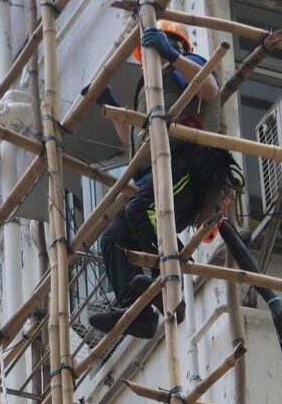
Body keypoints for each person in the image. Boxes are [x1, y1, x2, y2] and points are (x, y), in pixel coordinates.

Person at [88, 23, 243, 339]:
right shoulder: (150, 91)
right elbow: (135, 139)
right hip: (157, 173)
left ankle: (166, 286)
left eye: (149, 53)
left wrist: (171, 54)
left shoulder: (186, 68)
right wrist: (110, 103)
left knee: (138, 209)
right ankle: (138, 312)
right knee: (112, 238)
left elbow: (209, 88)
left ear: (173, 45)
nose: (146, 61)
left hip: (188, 169)